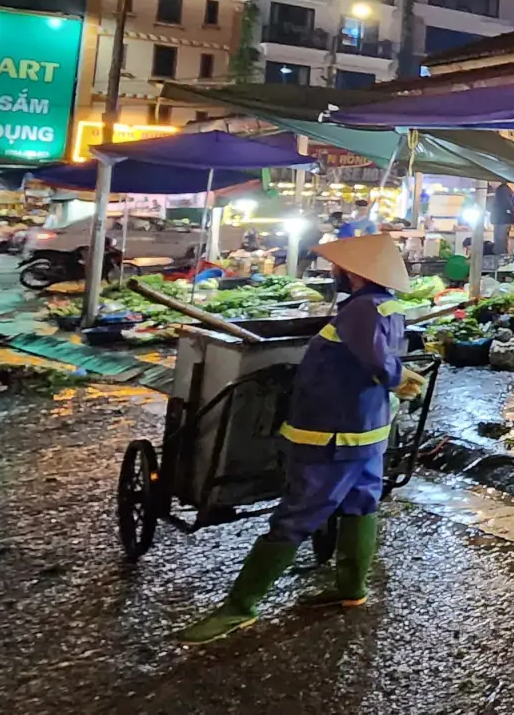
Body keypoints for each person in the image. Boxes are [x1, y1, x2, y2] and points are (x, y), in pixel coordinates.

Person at [176, 234, 422, 644]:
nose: (333, 272)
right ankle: (350, 589)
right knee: (361, 503)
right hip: (365, 432)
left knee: (298, 513)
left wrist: (395, 379)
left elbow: (377, 361)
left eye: (339, 267)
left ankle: (239, 607)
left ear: (357, 273)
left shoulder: (362, 309)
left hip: (332, 432)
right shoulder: (387, 306)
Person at [488, 182, 514, 255]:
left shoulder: (502, 190)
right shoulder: (503, 190)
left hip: (502, 220)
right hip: (501, 220)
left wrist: (513, 218)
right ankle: (501, 259)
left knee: (500, 243)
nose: (490, 184)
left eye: (491, 182)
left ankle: (501, 260)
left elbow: (508, 205)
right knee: (500, 243)